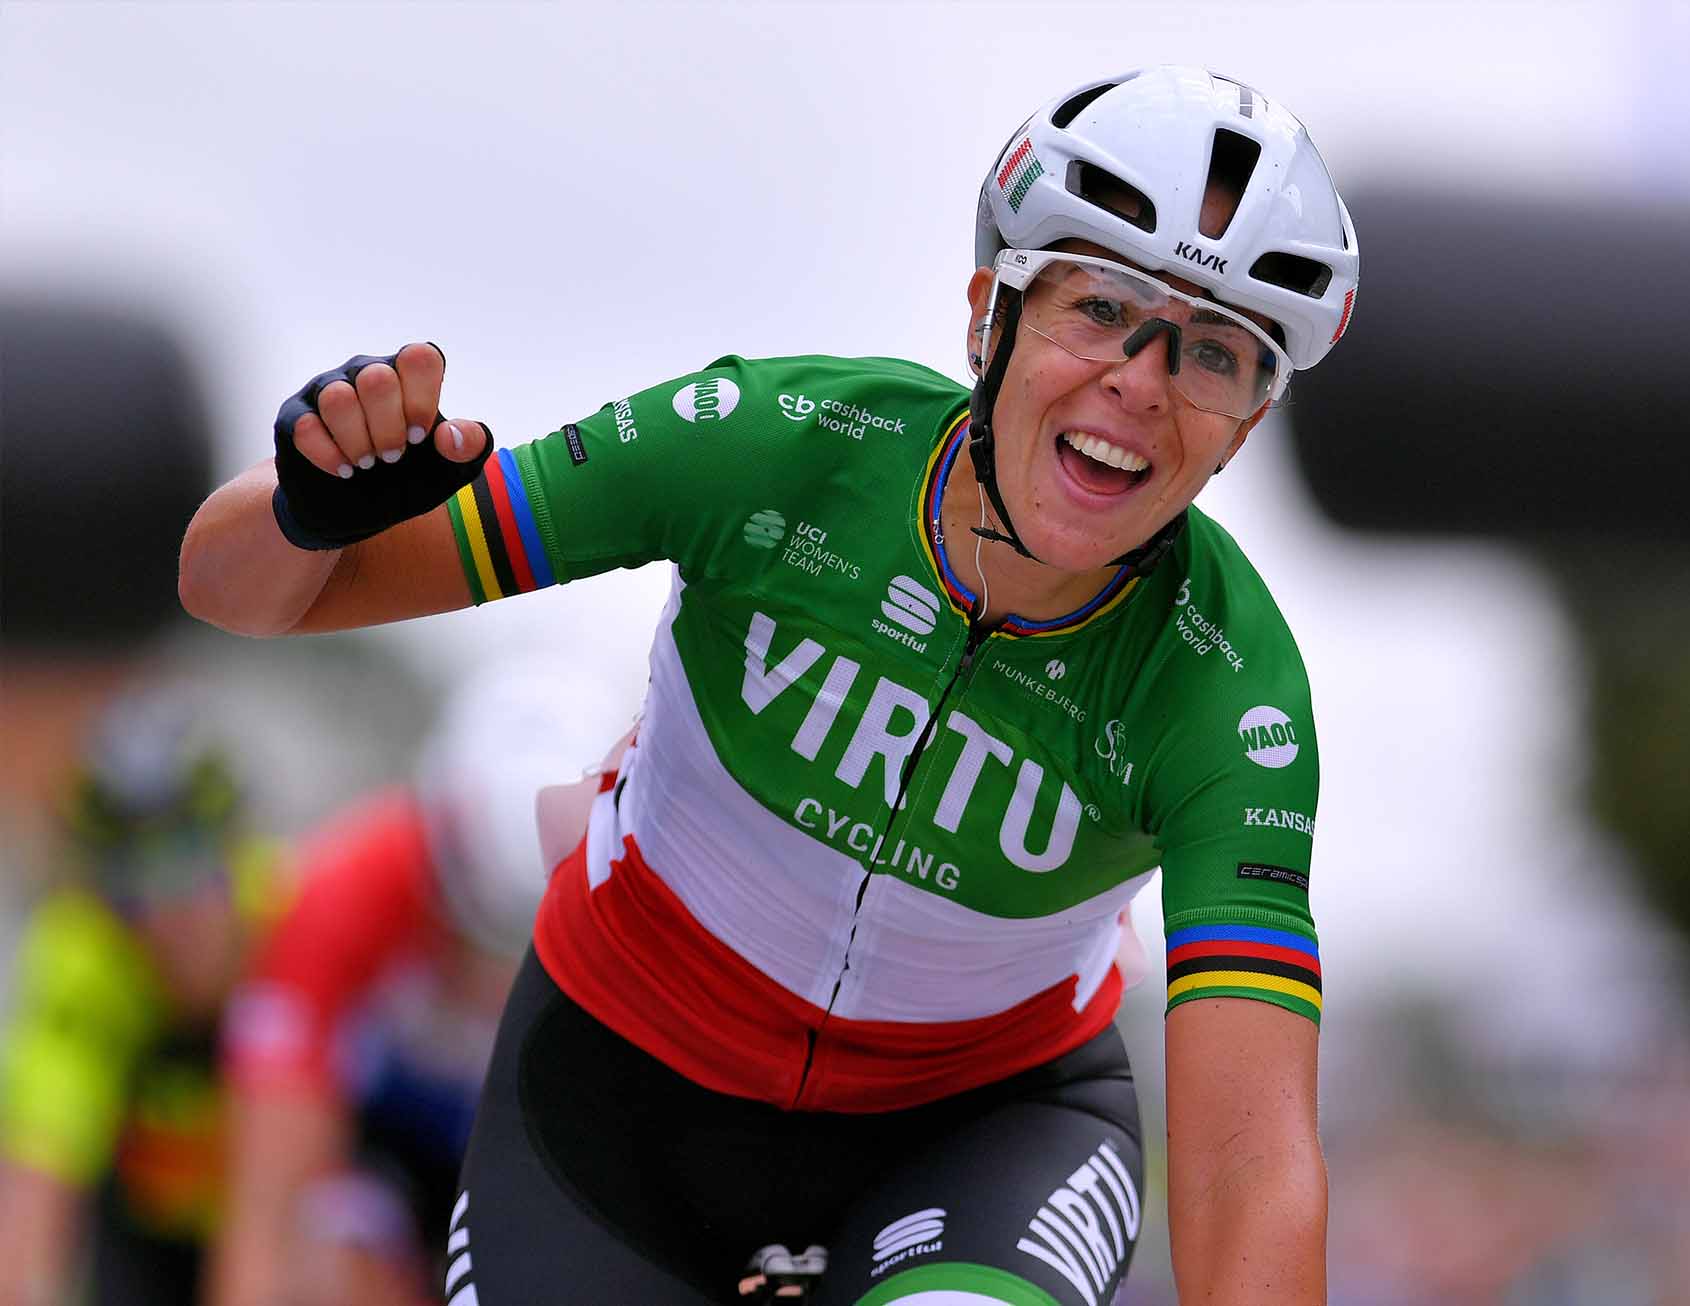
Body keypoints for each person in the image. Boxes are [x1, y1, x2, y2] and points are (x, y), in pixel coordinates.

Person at [179, 65, 1356, 1306]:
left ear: (1245, 424)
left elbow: (1247, 1164)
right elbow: (241, 590)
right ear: (985, 315)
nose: (1141, 379)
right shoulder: (771, 446)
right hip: (621, 1091)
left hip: (981, 1135)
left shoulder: (1232, 692)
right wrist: (301, 508)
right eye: (1100, 305)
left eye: (1215, 354)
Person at [207, 662, 630, 1306]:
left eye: (514, 948)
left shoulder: (643, 923)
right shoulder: (338, 895)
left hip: (521, 1152)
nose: (485, 974)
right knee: (329, 1269)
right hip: (383, 1155)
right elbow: (265, 1210)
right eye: (469, 934)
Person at [0, 695, 281, 1306]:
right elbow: (35, 1196)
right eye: (132, 885)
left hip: (283, 1213)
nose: (166, 915)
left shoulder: (291, 922)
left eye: (192, 863)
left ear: (236, 853)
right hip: (140, 1241)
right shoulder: (86, 958)